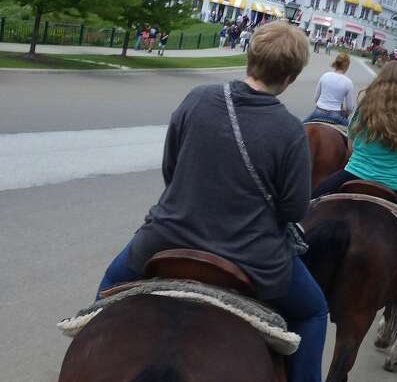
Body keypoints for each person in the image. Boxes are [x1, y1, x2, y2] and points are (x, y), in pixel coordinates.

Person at [95, 22, 327, 382]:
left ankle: (96, 346)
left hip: (168, 237)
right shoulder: (289, 130)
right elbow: (294, 210)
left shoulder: (197, 99)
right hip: (253, 258)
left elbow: (171, 169)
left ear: (249, 58)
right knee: (314, 312)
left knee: (110, 285)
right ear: (291, 76)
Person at [311, 61, 397, 295]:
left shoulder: (365, 107)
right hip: (395, 183)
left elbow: (352, 146)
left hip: (354, 172)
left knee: (313, 197)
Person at [304, 53, 354, 125]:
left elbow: (316, 98)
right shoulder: (348, 82)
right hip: (335, 116)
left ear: (336, 63)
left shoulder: (325, 75)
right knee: (352, 131)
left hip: (318, 112)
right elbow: (349, 108)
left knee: (299, 127)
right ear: (347, 66)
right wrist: (346, 113)